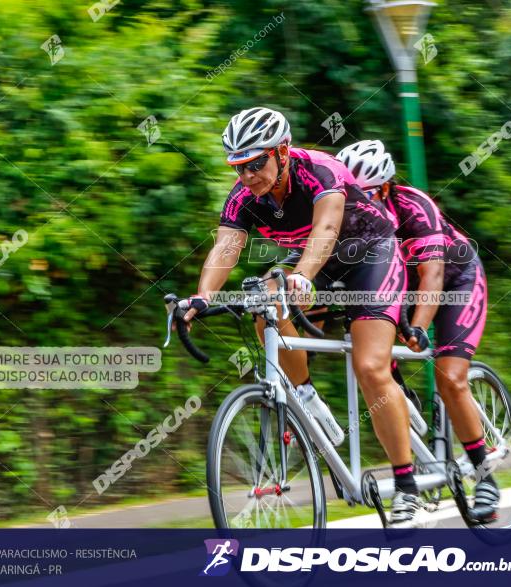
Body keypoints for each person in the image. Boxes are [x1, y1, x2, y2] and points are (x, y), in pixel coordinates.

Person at [181, 108, 427, 527]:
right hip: (313, 262)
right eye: (238, 166)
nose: (246, 175)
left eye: (255, 163)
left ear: (282, 151)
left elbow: (327, 230)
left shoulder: (320, 170)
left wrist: (302, 277)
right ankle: (307, 399)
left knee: (369, 366)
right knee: (262, 302)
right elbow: (225, 247)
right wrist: (201, 297)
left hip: (370, 254)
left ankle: (407, 489)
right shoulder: (244, 197)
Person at [337, 139, 499, 520]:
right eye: (352, 196)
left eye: (370, 194)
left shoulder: (413, 206)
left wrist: (420, 327)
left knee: (450, 376)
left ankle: (485, 474)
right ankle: (409, 426)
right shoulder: (348, 217)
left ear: (387, 187)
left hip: (455, 281)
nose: (362, 203)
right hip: (397, 286)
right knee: (375, 364)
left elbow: (433, 275)